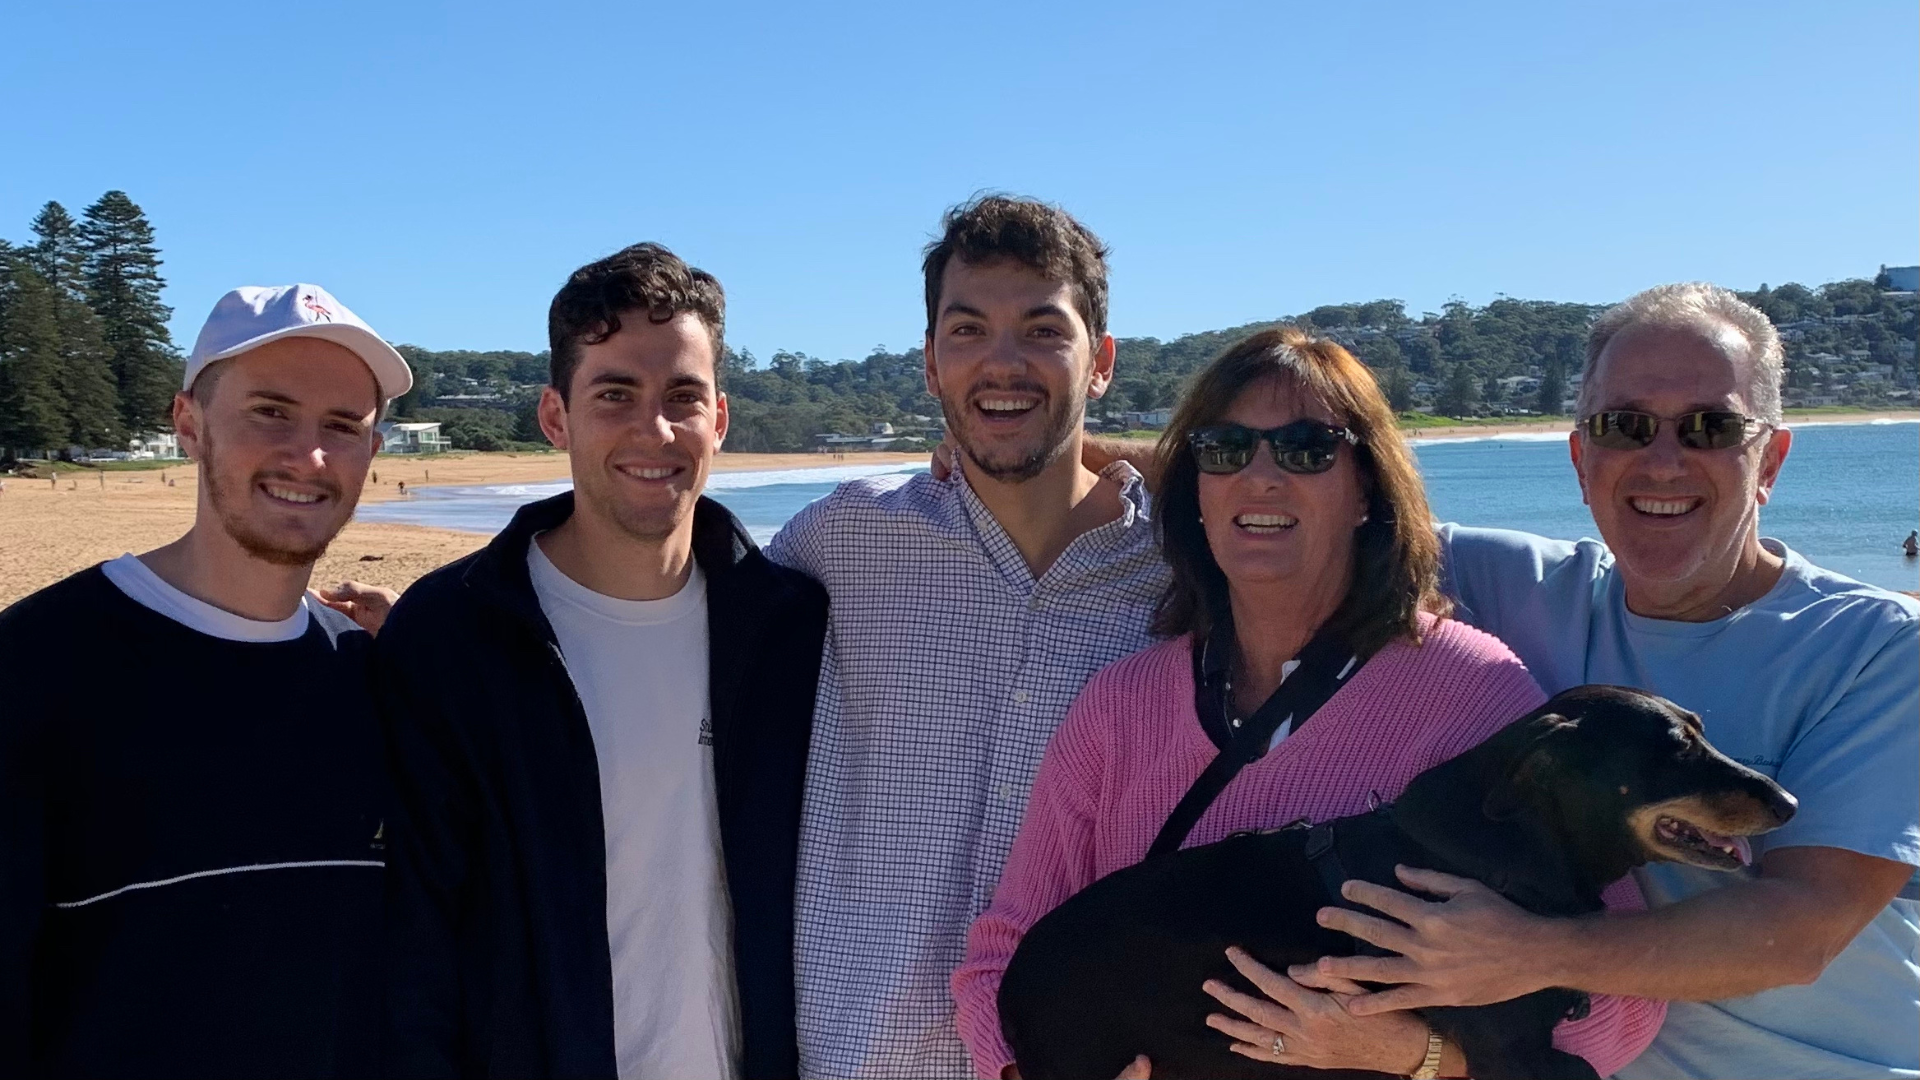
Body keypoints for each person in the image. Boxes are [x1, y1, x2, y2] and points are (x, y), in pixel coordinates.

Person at [951, 328, 1662, 1079]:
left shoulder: (1468, 695)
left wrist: (1411, 1056)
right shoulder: (1121, 706)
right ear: (1195, 488)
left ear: (1365, 490)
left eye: (1306, 448)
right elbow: (1002, 954)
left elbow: (1622, 1008)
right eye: (1224, 449)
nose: (1260, 477)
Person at [1297, 283, 1919, 1079]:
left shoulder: (1876, 648)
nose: (1663, 460)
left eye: (1712, 427)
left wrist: (1528, 954)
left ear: (1771, 459)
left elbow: (1801, 929)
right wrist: (1098, 447)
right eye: (1625, 426)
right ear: (1581, 458)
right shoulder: (1516, 586)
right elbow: (1293, 498)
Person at [377, 243, 828, 1079]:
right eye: (615, 393)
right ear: (557, 416)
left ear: (720, 420)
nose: (653, 430)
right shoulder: (451, 636)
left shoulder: (792, 630)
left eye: (682, 397)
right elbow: (414, 943)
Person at [766, 195, 1168, 1078]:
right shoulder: (845, 540)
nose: (1003, 363)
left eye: (1041, 330)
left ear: (1099, 361)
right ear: (930, 363)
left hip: (1074, 1057)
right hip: (853, 1055)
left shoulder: (1190, 573)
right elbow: (665, 607)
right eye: (969, 330)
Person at [0, 283, 409, 1076]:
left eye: (342, 426)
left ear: (372, 452)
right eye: (271, 411)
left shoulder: (375, 681)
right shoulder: (34, 669)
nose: (309, 454)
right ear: (188, 422)